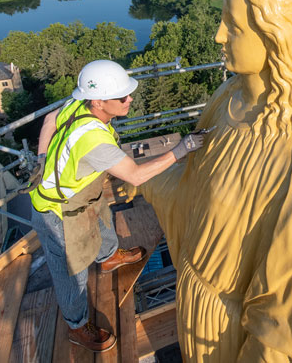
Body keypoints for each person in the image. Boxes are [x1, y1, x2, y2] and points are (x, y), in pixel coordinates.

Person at [141, 0, 292, 362]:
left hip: (227, 342)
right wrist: (137, 176)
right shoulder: (227, 98)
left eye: (233, 26)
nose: (218, 36)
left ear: (278, 35)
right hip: (197, 316)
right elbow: (194, 194)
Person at [30, 59, 206, 353]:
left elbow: (49, 121)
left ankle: (108, 255)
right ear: (98, 102)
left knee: (102, 218)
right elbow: (136, 174)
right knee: (71, 272)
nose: (130, 99)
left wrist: (40, 158)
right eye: (122, 96)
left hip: (82, 194)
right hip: (57, 213)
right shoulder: (93, 141)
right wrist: (181, 150)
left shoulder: (78, 104)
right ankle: (76, 325)